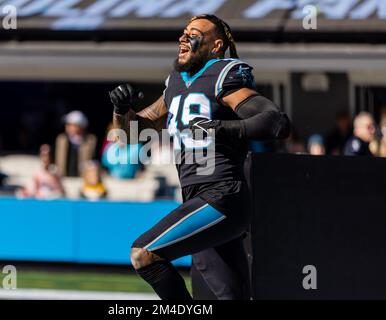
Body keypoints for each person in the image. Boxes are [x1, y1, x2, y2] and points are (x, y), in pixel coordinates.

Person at [109, 14, 290, 300]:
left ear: (216, 46)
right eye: (183, 32)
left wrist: (222, 128)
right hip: (198, 198)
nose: (183, 38)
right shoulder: (176, 82)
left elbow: (274, 121)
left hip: (221, 195)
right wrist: (122, 111)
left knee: (144, 254)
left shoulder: (222, 75)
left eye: (193, 34)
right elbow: (133, 133)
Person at [55, 110, 97, 177]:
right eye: (67, 124)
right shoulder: (61, 139)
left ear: (80, 126)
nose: (67, 127)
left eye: (70, 124)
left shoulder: (90, 140)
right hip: (64, 178)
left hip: (81, 178)